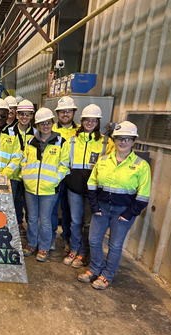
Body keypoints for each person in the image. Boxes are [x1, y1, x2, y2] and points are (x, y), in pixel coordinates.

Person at [78, 121, 151, 290]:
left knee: (115, 245)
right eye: (119, 138)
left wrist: (129, 213)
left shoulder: (141, 166)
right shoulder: (103, 160)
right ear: (114, 140)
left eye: (127, 139)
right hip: (101, 208)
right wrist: (94, 207)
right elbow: (92, 184)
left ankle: (106, 275)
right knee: (94, 241)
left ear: (134, 141)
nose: (123, 142)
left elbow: (143, 195)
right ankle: (94, 269)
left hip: (123, 212)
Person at [61, 104, 114, 269]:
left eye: (93, 120)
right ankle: (74, 249)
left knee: (87, 223)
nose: (90, 123)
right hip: (74, 189)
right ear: (82, 120)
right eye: (87, 120)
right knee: (75, 221)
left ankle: (83, 253)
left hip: (94, 191)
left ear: (98, 122)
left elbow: (111, 166)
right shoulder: (71, 140)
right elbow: (63, 162)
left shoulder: (107, 142)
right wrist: (68, 180)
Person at [20, 107, 69, 262]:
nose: (45, 126)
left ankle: (44, 248)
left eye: (48, 123)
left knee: (45, 220)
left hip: (49, 189)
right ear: (37, 125)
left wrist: (55, 179)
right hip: (31, 187)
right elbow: (23, 160)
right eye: (42, 124)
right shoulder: (30, 141)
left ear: (52, 123)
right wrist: (25, 176)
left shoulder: (61, 142)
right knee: (32, 218)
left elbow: (65, 164)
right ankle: (32, 244)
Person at [51, 96, 79, 252]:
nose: (65, 114)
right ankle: (51, 238)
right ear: (57, 113)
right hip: (55, 174)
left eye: (68, 111)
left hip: (73, 177)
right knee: (53, 209)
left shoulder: (80, 131)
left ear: (74, 112)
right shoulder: (51, 129)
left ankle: (67, 238)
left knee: (69, 211)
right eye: (62, 111)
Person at [8, 100, 37, 237]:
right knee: (12, 203)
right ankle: (14, 228)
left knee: (29, 205)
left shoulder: (36, 133)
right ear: (17, 115)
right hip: (13, 174)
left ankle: (30, 233)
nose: (24, 117)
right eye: (21, 114)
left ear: (32, 115)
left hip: (29, 176)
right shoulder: (10, 132)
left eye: (27, 114)